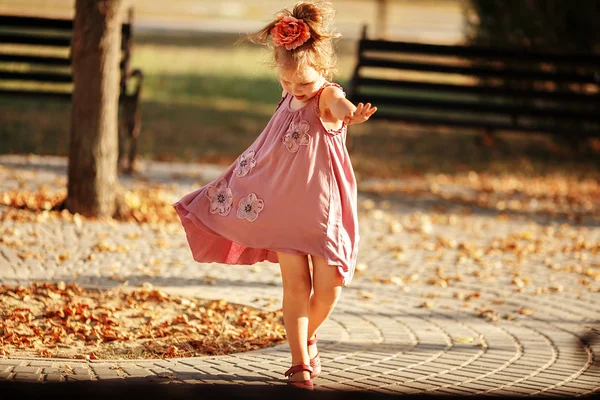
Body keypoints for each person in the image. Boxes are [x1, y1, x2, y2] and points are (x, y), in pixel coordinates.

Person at [172, 0, 377, 390]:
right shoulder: (289, 95)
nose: (294, 90)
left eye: (303, 83)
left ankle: (302, 336)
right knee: (296, 286)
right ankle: (300, 364)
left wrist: (352, 114)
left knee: (329, 287)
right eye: (285, 83)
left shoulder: (326, 96)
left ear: (325, 70)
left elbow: (339, 106)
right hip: (283, 208)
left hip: (322, 211)